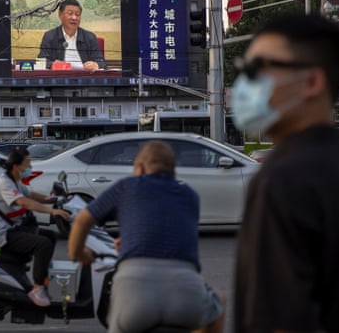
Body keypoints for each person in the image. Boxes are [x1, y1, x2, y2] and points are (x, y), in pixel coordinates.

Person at [231, 13, 339, 332]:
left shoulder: (282, 179)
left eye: (257, 69)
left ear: (311, 82)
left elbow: (279, 320)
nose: (244, 84)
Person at [68, 141, 225, 333]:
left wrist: (79, 254)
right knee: (218, 303)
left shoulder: (126, 187)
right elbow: (171, 231)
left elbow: (82, 220)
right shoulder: (190, 195)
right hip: (186, 294)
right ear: (173, 171)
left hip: (135, 293)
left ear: (140, 168)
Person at [0, 147, 70, 307]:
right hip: (3, 234)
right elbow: (23, 202)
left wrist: (53, 199)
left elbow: (31, 195)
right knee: (42, 243)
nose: (30, 166)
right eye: (28, 163)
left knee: (50, 236)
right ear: (17, 166)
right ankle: (37, 288)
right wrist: (51, 211)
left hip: (15, 228)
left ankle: (43, 277)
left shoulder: (14, 180)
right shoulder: (4, 183)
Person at [38, 0, 107, 71]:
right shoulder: (50, 36)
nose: (74, 18)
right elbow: (42, 61)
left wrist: (96, 65)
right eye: (70, 13)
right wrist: (53, 65)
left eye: (77, 14)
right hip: (61, 78)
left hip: (83, 78)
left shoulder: (89, 37)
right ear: (60, 15)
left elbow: (102, 62)